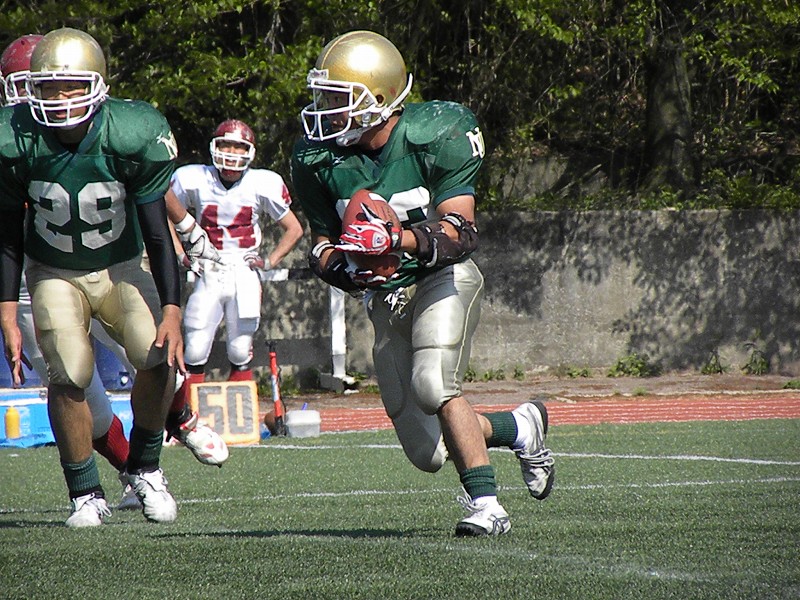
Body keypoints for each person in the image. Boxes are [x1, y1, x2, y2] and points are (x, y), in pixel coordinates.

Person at [291, 30, 555, 537]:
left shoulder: (436, 132)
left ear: (379, 98)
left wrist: (398, 239)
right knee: (428, 451)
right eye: (323, 96)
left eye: (338, 98)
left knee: (434, 383)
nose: (325, 110)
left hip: (442, 275)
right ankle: (519, 427)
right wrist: (345, 266)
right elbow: (321, 242)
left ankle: (487, 506)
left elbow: (461, 231)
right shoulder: (316, 157)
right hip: (385, 295)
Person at [0, 27, 183, 527]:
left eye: (73, 87)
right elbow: (8, 234)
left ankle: (145, 467)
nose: (61, 100)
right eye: (49, 88)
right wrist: (8, 313)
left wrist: (172, 309)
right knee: (69, 371)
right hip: (53, 269)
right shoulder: (14, 137)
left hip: (120, 265)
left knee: (157, 354)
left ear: (98, 85)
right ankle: (84, 493)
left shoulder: (133, 131)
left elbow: (157, 232)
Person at [165, 119, 303, 411]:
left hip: (243, 269)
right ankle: (185, 416)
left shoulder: (261, 183)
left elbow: (294, 229)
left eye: (238, 147)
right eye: (226, 145)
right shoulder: (194, 178)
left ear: (249, 151)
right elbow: (165, 213)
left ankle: (237, 416)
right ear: (214, 147)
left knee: (240, 349)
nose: (230, 154)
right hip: (209, 268)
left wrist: (270, 261)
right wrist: (180, 253)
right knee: (195, 347)